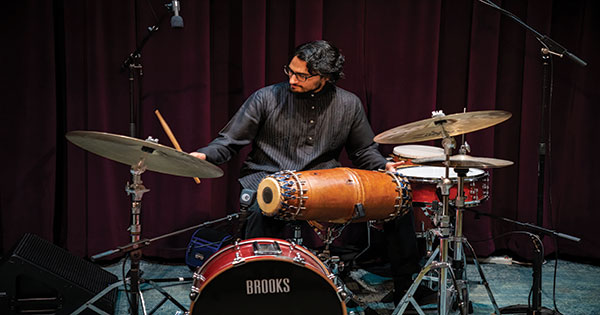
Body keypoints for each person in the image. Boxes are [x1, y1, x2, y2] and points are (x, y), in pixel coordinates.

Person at [191, 40, 421, 304]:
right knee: (261, 210)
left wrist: (383, 166)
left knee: (396, 201)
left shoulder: (349, 104)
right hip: (268, 179)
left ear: (325, 77)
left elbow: (363, 151)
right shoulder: (265, 98)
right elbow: (229, 142)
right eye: (290, 71)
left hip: (325, 186)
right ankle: (259, 294)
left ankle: (407, 290)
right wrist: (204, 155)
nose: (292, 79)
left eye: (302, 75)